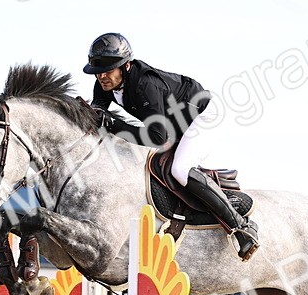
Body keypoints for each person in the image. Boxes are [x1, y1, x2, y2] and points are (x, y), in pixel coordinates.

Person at [83, 32, 259, 261]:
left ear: (125, 66)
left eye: (108, 70)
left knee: (180, 169)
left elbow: (157, 137)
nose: (102, 77)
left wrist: (113, 125)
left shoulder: (145, 85)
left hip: (203, 116)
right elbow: (99, 116)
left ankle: (241, 226)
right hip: (174, 121)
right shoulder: (103, 83)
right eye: (98, 72)